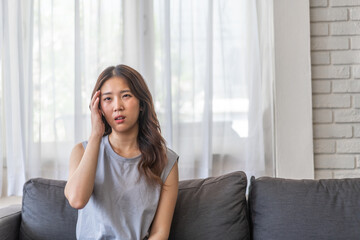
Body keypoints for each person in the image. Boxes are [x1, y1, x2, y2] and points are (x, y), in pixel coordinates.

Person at [64, 64, 179, 240]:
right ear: (99, 108)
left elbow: (160, 233)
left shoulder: (165, 160)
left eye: (126, 96)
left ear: (141, 103)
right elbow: (77, 200)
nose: (118, 106)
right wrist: (96, 134)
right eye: (108, 99)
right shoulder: (81, 151)